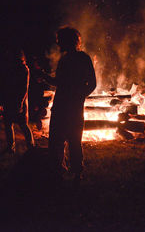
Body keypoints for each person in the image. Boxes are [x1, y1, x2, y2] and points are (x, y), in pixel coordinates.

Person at [45, 27, 96, 186]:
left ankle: (75, 174)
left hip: (69, 107)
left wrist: (79, 96)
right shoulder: (68, 59)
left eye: (60, 39)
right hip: (63, 106)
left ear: (68, 41)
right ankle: (63, 173)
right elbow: (60, 82)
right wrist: (45, 78)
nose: (57, 42)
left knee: (70, 141)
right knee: (60, 141)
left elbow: (92, 83)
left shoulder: (80, 59)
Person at [0, 49, 34, 154]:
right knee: (8, 123)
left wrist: (20, 103)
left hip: (19, 100)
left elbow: (24, 88)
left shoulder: (23, 69)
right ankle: (11, 147)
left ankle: (31, 146)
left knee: (22, 124)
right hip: (9, 99)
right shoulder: (10, 68)